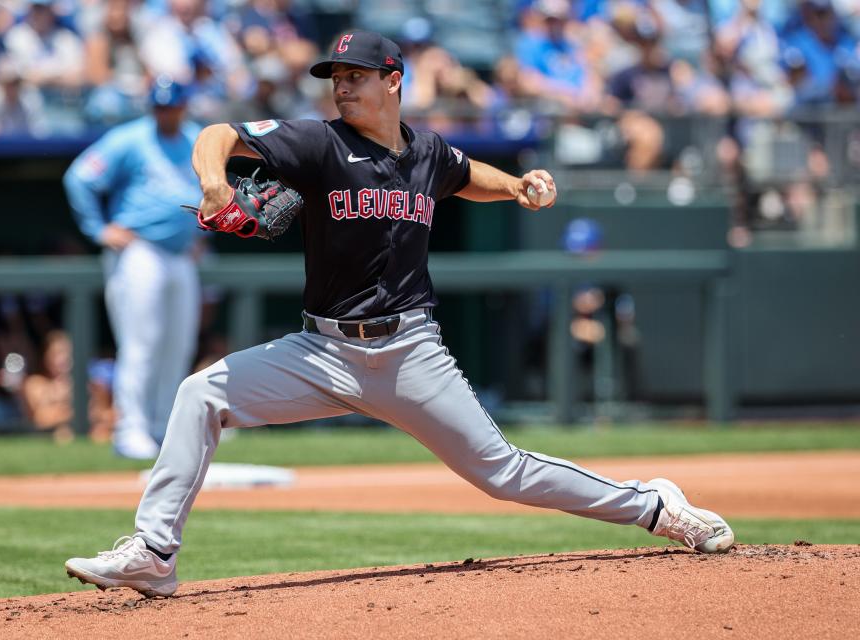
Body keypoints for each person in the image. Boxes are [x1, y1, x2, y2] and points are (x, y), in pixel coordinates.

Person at [65, 30, 734, 598]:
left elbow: (468, 174)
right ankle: (155, 552)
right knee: (201, 392)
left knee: (501, 472)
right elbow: (218, 134)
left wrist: (521, 187)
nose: (342, 87)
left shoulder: (425, 153)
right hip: (321, 353)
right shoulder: (317, 144)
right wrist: (215, 183)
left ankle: (653, 505)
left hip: (410, 352)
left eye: (356, 76)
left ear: (394, 81)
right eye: (336, 77)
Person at [63, 75, 202, 459]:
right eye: (159, 106)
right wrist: (98, 228)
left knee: (179, 344)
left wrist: (201, 236)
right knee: (142, 343)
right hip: (140, 250)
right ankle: (131, 427)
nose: (165, 113)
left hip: (181, 253)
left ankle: (162, 426)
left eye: (171, 106)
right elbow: (79, 177)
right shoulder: (131, 138)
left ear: (183, 106)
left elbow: (210, 191)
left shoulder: (196, 138)